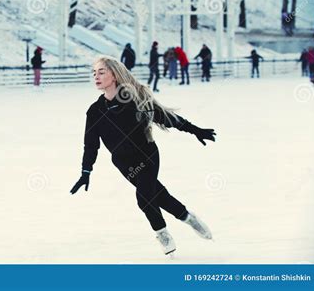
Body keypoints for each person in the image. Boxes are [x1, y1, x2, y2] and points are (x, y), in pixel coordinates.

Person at [70, 56, 216, 255]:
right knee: (158, 195)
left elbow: (164, 117)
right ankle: (189, 218)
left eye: (101, 72)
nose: (96, 76)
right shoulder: (95, 111)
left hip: (146, 154)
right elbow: (91, 145)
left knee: (144, 197)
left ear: (114, 74)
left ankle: (162, 233)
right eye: (94, 72)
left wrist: (194, 130)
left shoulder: (133, 99)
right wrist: (86, 172)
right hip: (122, 162)